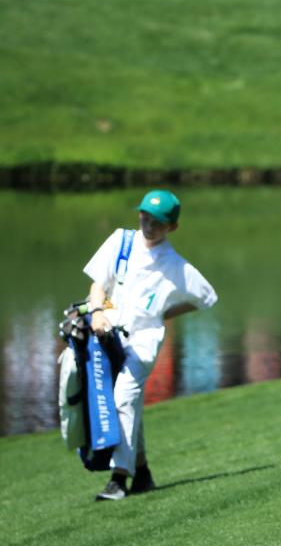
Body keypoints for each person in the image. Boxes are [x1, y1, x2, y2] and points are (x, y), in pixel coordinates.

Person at [84, 190, 218, 500]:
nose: (148, 223)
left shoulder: (176, 265)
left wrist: (162, 314)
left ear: (172, 227)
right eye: (145, 216)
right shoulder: (121, 240)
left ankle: (119, 480)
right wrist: (95, 312)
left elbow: (207, 297)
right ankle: (142, 472)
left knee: (123, 398)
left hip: (144, 341)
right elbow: (97, 284)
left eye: (157, 221)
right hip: (107, 334)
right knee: (128, 405)